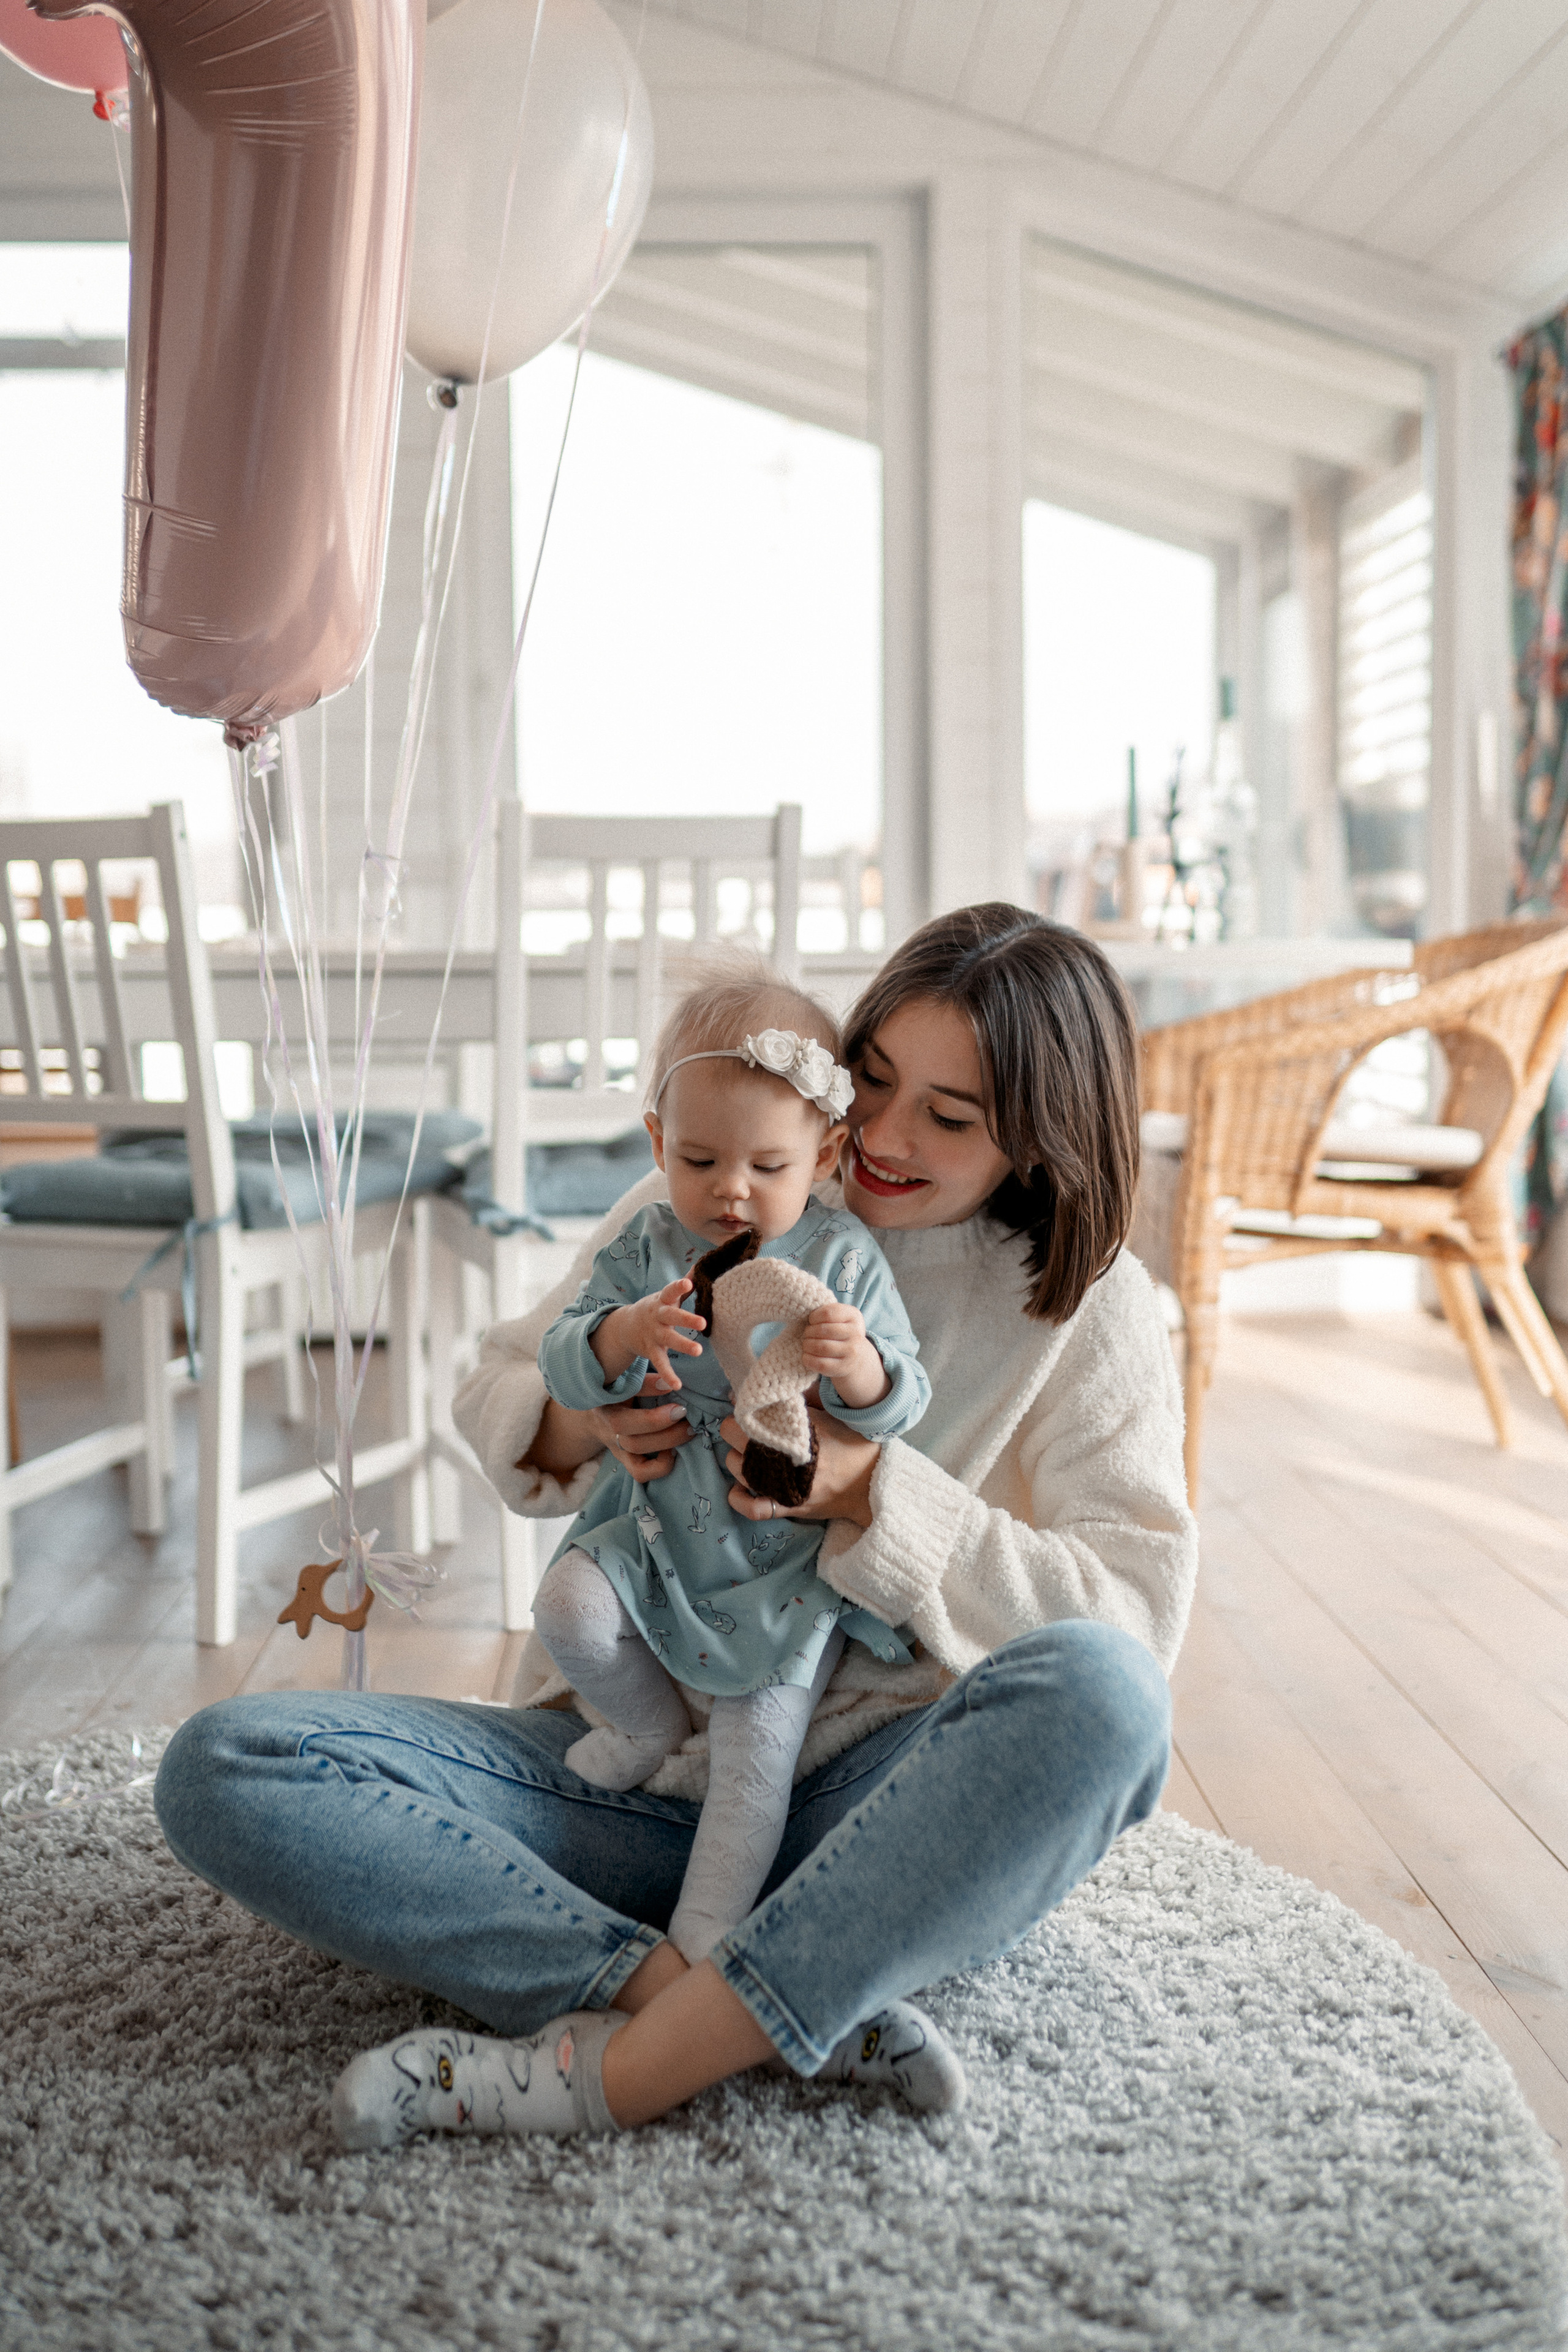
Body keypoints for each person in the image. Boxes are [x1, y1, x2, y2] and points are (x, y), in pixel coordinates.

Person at [153, 902, 1196, 2155]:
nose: (880, 1135)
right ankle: (737, 2005)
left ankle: (623, 2072)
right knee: (229, 1764)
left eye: (950, 1117)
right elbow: (496, 1386)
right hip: (623, 1774)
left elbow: (1128, 1618)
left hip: (858, 1811)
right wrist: (594, 1420)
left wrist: (872, 1492)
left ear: (1037, 1139)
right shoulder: (721, 1180)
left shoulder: (1091, 1307)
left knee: (1105, 1701)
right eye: (869, 1080)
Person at [529, 966, 931, 1971]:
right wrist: (620, 1335)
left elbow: (903, 1402)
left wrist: (859, 1365)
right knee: (567, 1608)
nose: (731, 1190)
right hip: (654, 1523)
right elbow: (560, 1359)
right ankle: (645, 1725)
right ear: (658, 1142)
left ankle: (707, 1933)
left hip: (778, 1561)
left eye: (768, 1164)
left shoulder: (841, 1259)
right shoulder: (646, 1243)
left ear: (824, 1154)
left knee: (760, 1753)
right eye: (700, 1159)